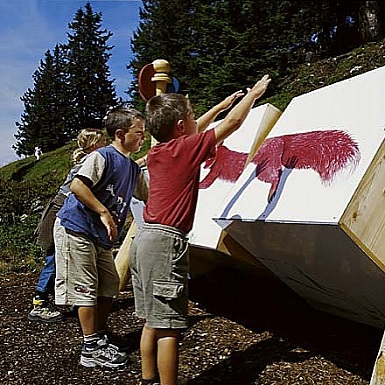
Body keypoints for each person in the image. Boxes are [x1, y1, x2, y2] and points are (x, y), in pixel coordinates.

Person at [129, 74, 271, 385]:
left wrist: (219, 105)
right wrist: (254, 95)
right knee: (169, 326)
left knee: (152, 319)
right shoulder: (186, 149)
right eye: (192, 115)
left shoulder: (159, 151)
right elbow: (231, 124)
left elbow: (198, 129)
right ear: (181, 127)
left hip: (144, 239)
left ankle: (148, 377)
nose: (197, 120)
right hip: (166, 243)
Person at [54, 107, 147, 369]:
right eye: (138, 133)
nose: (143, 138)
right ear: (120, 134)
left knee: (110, 285)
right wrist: (104, 212)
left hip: (101, 237)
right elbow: (78, 185)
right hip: (77, 227)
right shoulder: (102, 156)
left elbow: (148, 196)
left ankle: (99, 335)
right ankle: (90, 349)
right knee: (86, 289)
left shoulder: (132, 168)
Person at [28, 128, 107, 323]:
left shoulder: (89, 160)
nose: (107, 145)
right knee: (55, 257)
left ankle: (67, 298)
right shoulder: (89, 162)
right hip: (60, 211)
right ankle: (39, 303)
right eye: (103, 141)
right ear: (94, 145)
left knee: (66, 257)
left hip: (65, 210)